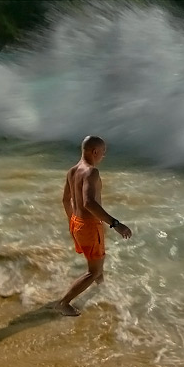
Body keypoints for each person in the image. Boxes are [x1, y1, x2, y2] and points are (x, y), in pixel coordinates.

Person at [55, 135, 132, 316]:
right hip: (89, 226)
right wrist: (116, 224)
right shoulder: (91, 172)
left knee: (98, 260)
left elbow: (66, 200)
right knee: (93, 271)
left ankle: (101, 288)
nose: (103, 156)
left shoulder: (72, 171)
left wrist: (72, 223)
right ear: (95, 152)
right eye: (103, 153)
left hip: (77, 222)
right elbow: (89, 203)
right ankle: (63, 303)